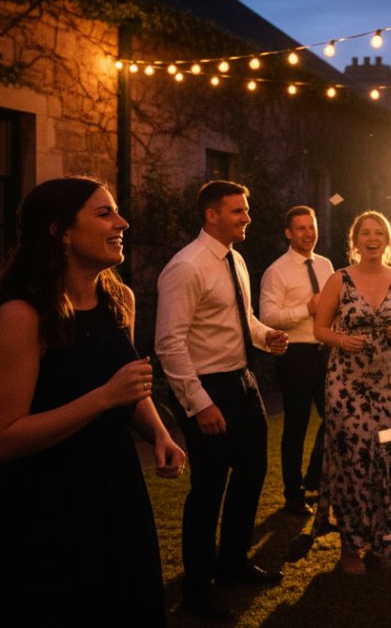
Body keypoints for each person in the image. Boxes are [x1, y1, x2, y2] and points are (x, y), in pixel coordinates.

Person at [0, 176, 186, 627]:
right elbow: (2, 439)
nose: (122, 222)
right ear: (61, 232)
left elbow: (127, 388)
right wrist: (103, 398)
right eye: (104, 213)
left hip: (115, 488)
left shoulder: (120, 302)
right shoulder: (22, 316)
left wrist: (158, 432)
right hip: (49, 504)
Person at [155, 180, 290, 621]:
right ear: (211, 215)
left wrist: (265, 336)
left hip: (243, 381)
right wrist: (199, 403)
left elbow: (241, 316)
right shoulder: (186, 267)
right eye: (237, 211)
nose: (247, 217)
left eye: (245, 210)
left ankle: (232, 561)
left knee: (252, 472)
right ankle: (197, 588)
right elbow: (169, 344)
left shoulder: (236, 259)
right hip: (206, 388)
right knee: (208, 487)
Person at [313, 211, 391, 575]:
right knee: (353, 458)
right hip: (346, 387)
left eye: (379, 233)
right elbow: (319, 329)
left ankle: (385, 536)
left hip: (390, 385)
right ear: (355, 240)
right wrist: (342, 339)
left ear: (387, 241)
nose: (372, 238)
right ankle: (350, 546)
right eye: (365, 233)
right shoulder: (338, 279)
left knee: (387, 455)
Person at [260, 205, 332, 515]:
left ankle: (315, 477)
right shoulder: (277, 271)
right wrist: (306, 308)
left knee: (337, 419)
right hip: (296, 354)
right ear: (289, 233)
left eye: (311, 227)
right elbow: (268, 317)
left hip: (326, 352)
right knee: (296, 425)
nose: (308, 233)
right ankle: (293, 495)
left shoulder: (327, 266)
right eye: (301, 228)